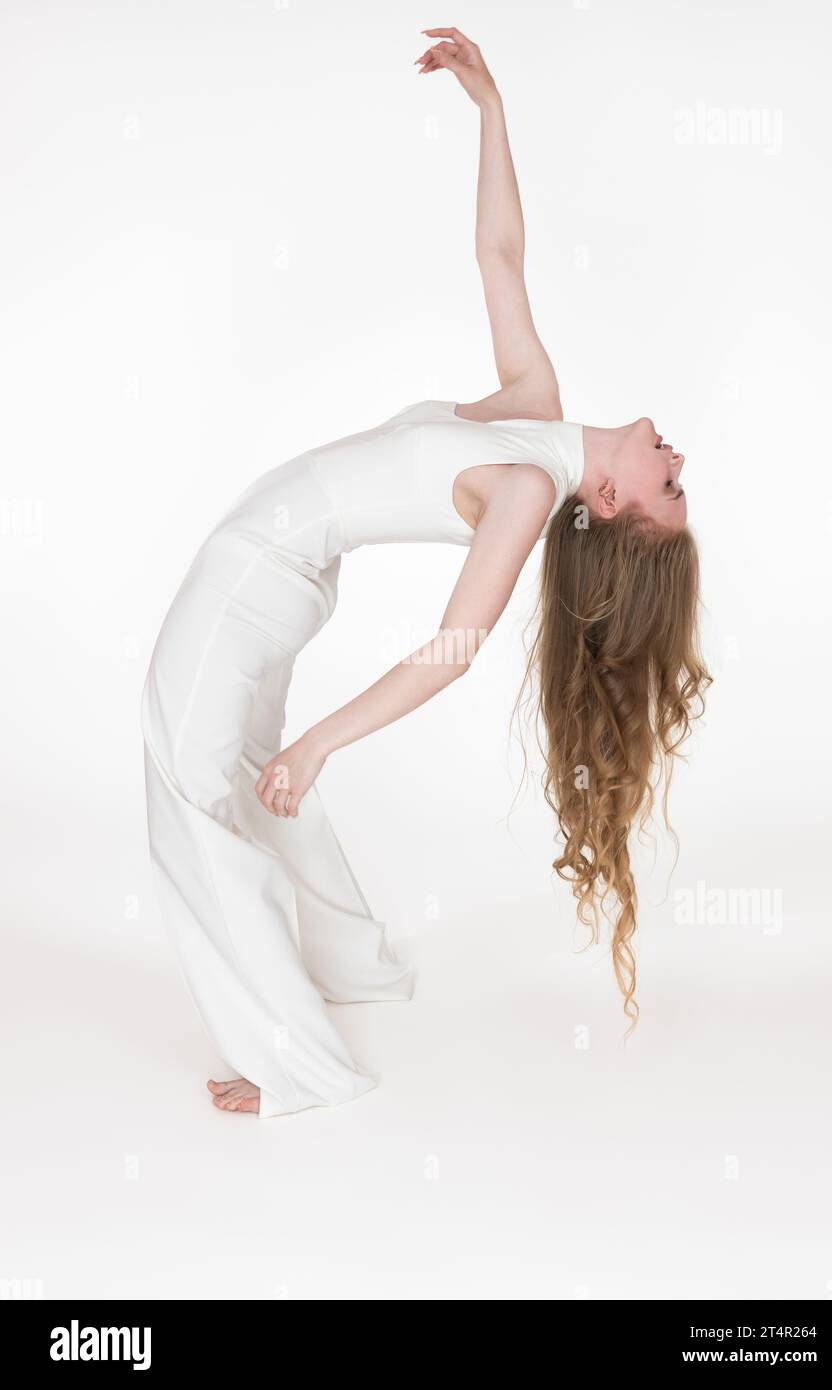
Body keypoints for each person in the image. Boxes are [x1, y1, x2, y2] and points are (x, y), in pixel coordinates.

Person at [141, 27, 710, 1118]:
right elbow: (499, 255)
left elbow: (453, 650)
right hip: (276, 575)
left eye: (669, 486)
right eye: (676, 472)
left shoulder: (531, 492)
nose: (675, 458)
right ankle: (352, 971)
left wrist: (321, 743)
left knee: (193, 788)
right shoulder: (538, 417)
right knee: (238, 775)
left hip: (256, 574)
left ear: (612, 508)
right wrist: (491, 107)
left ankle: (300, 1063)